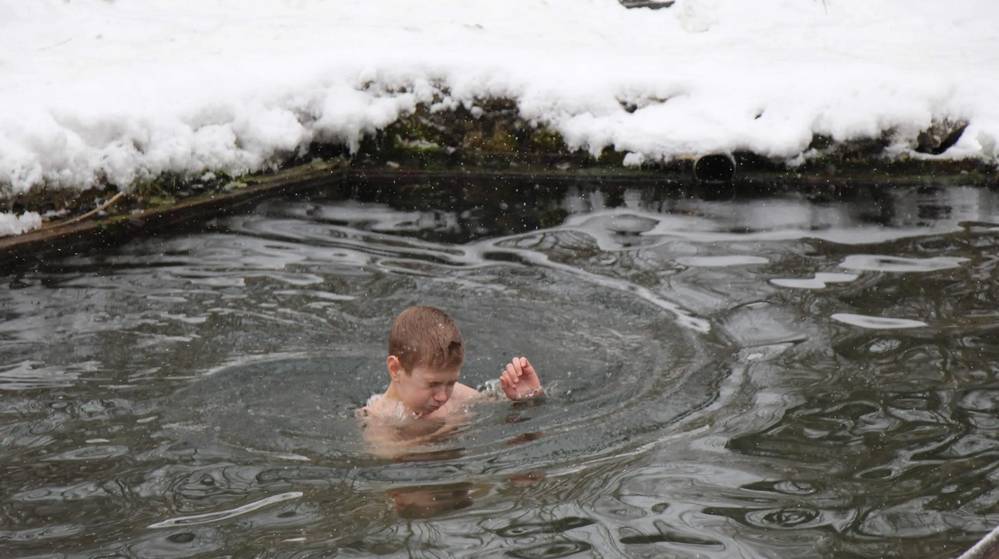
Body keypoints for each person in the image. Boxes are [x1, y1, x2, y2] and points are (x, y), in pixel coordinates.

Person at [360, 305, 543, 424]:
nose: (442, 396)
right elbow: (391, 457)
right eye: (432, 384)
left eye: (450, 382)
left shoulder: (457, 396)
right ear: (395, 370)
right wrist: (451, 426)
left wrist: (528, 398)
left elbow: (498, 409)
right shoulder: (379, 419)